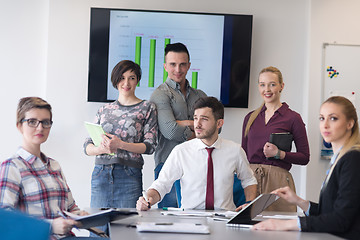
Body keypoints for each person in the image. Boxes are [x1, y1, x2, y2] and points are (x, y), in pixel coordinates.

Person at [253, 96, 360, 239]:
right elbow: (329, 213)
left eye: (333, 118)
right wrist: (299, 201)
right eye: (322, 118)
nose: (325, 125)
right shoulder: (340, 158)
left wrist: (287, 224)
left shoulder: (352, 159)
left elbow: (341, 220)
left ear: (350, 124)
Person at [137, 97, 257, 211]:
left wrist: (249, 204)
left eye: (204, 119)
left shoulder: (235, 150)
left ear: (219, 123)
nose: (197, 124)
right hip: (190, 219)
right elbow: (161, 184)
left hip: (224, 217)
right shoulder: (181, 151)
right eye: (195, 118)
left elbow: (249, 180)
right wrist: (148, 200)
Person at [84, 60, 158, 233]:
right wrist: (101, 149)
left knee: (126, 232)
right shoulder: (104, 109)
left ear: (137, 80)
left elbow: (150, 146)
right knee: (96, 232)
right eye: (122, 78)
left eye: (132, 78)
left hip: (129, 175)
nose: (126, 83)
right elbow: (87, 146)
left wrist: (120, 145)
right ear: (115, 80)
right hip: (101, 174)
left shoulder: (147, 107)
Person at [0, 97, 90, 239]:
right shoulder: (12, 167)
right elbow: (4, 219)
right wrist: (50, 226)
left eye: (45, 122)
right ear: (19, 126)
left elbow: (71, 207)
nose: (40, 127)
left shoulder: (54, 165)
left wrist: (80, 215)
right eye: (32, 122)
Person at [241, 66, 310, 212]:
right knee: (249, 229)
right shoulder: (250, 117)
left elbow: (304, 157)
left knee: (279, 231)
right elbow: (244, 156)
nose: (267, 89)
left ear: (281, 86)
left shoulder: (293, 118)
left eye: (272, 84)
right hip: (251, 181)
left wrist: (279, 154)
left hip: (278, 182)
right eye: (262, 85)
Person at [150, 42, 206, 208]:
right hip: (167, 165)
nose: (178, 69)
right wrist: (196, 125)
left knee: (196, 221)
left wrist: (182, 123)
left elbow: (214, 129)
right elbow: (170, 131)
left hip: (197, 166)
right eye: (173, 64)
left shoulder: (200, 95)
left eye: (182, 64)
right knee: (168, 223)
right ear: (165, 66)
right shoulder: (160, 94)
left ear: (189, 65)